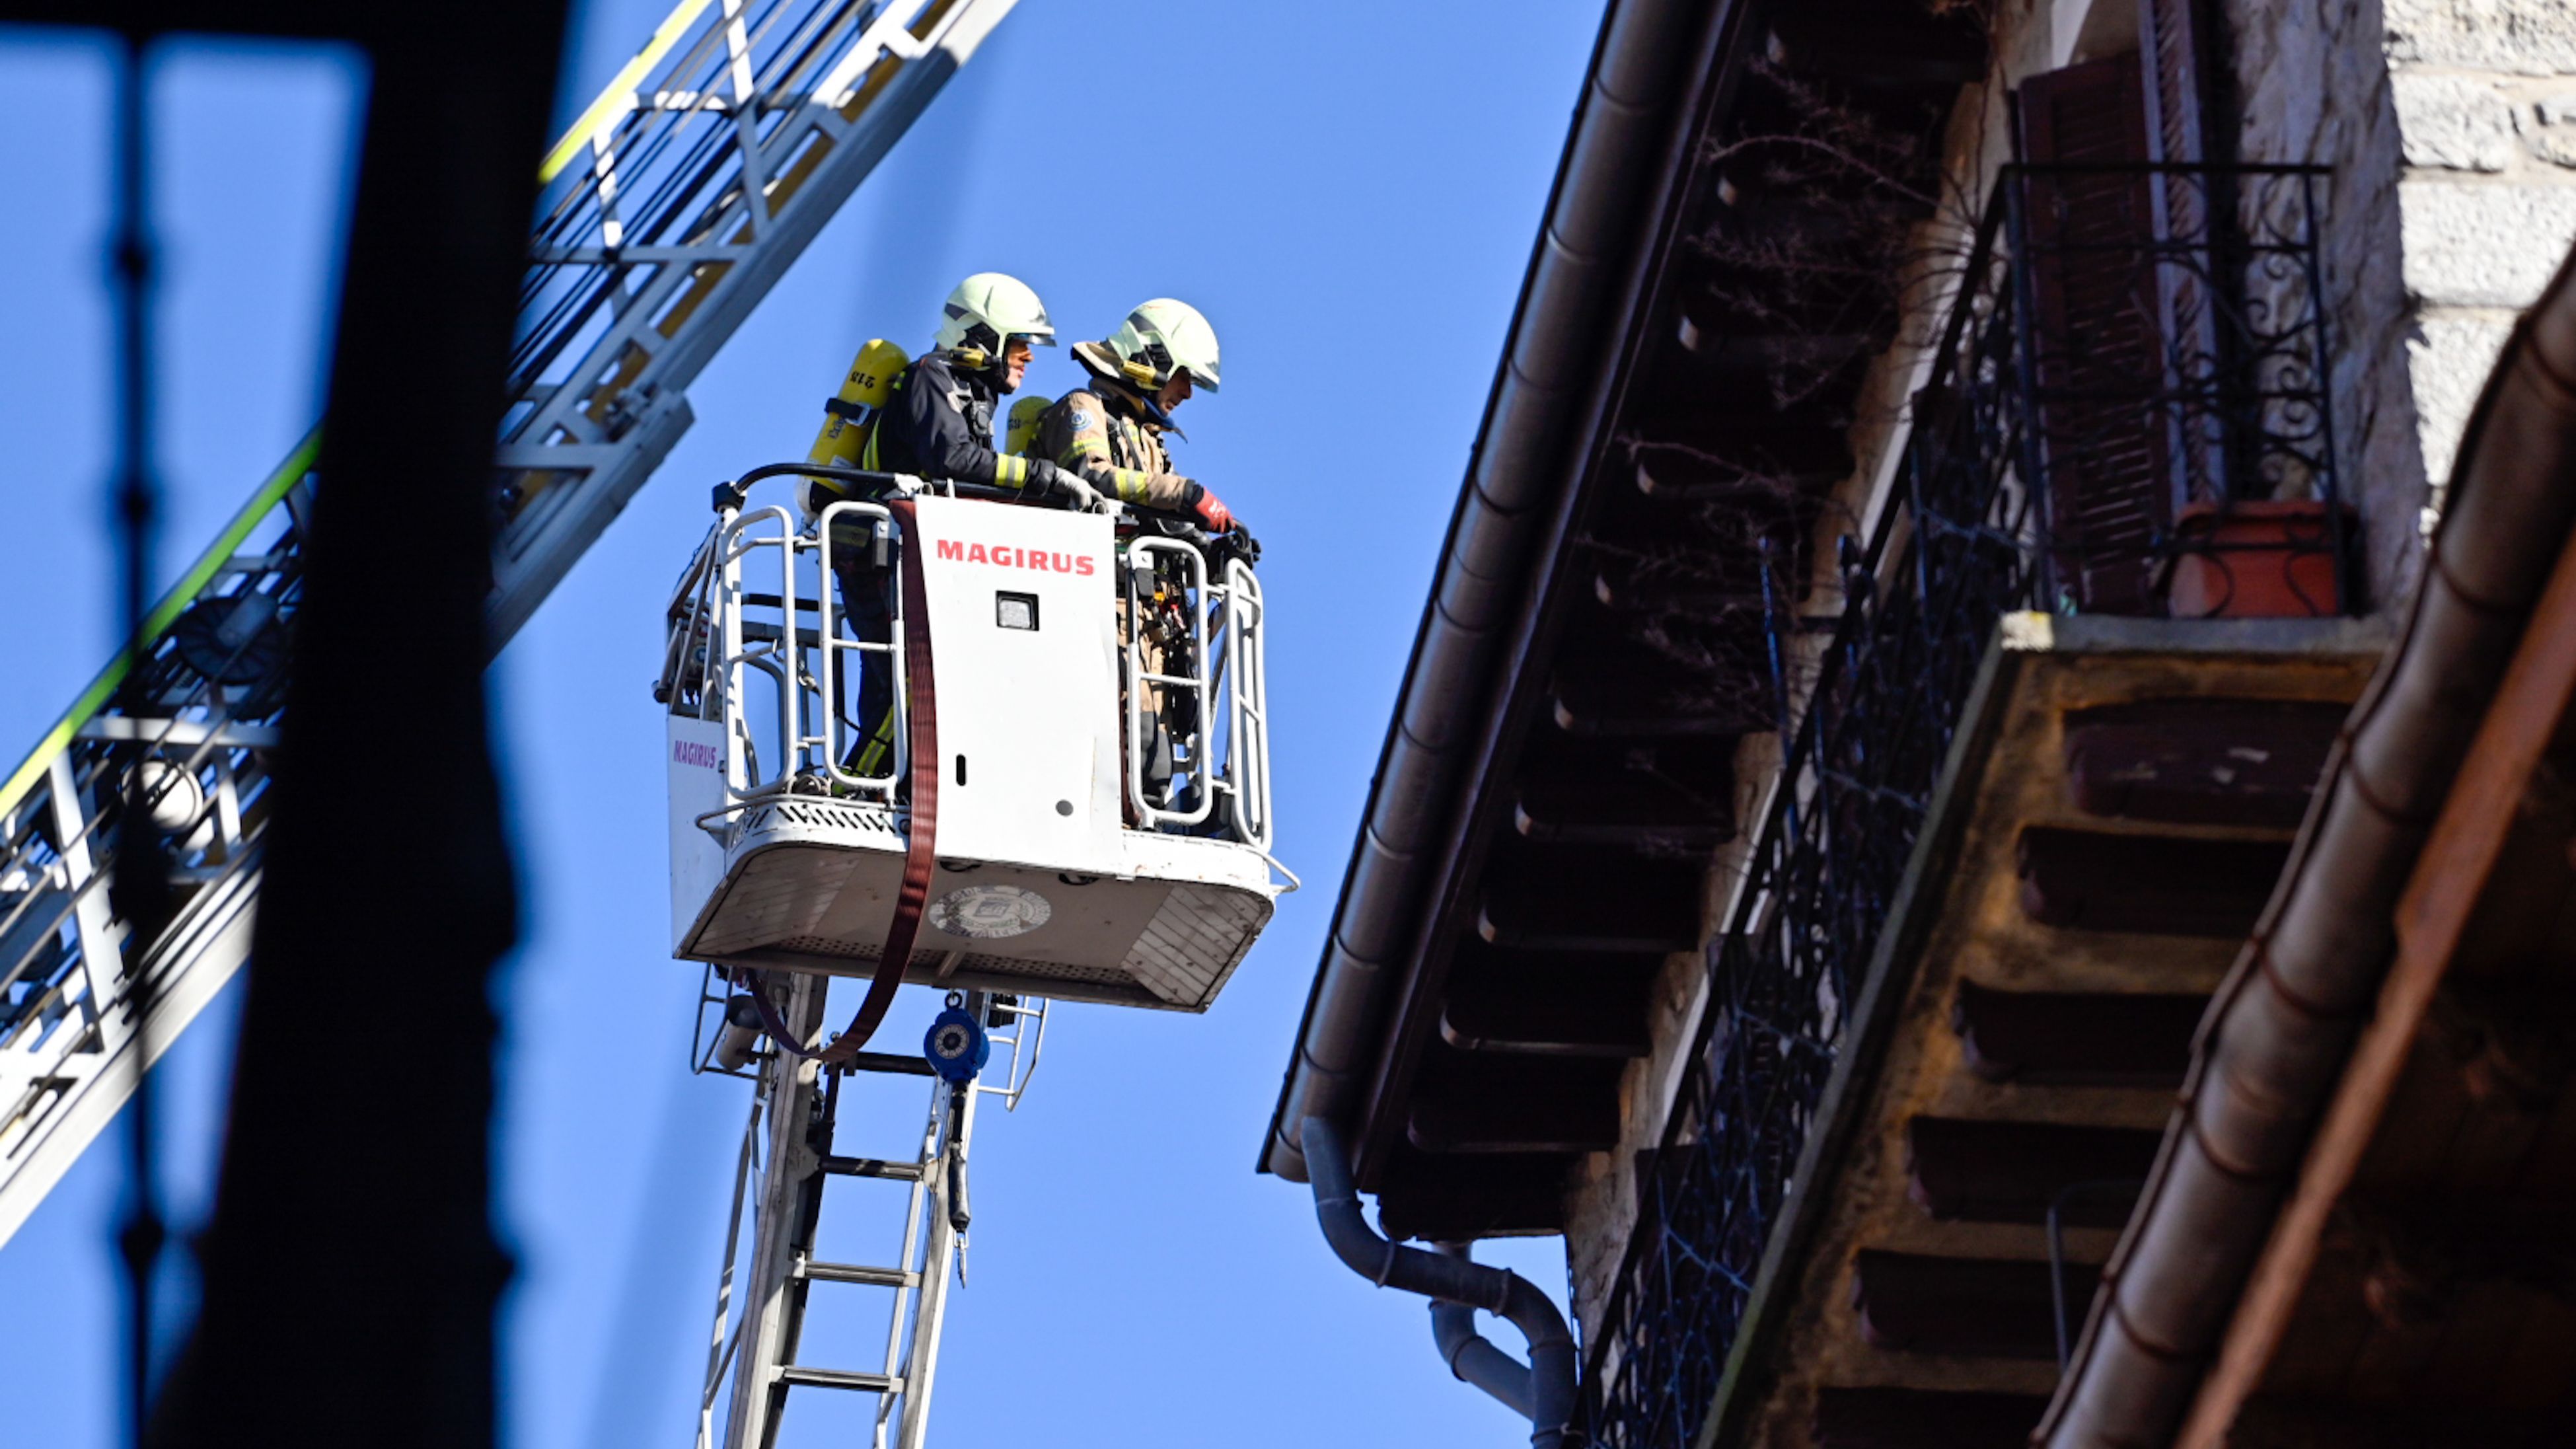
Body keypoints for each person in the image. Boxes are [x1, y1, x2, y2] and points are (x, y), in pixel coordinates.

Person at [822, 273, 1100, 778]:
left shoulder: (969, 395)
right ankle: (857, 789)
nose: (1029, 356)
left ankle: (893, 784)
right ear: (981, 334)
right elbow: (952, 458)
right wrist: (1048, 477)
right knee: (907, 686)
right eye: (1019, 343)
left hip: (899, 555)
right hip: (877, 553)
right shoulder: (932, 375)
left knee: (897, 681)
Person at [1029, 298, 1237, 535]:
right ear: (1155, 359)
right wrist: (1183, 493)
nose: (1188, 393)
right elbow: (1090, 476)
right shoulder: (1084, 405)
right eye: (1185, 376)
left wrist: (1210, 547)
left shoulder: (1148, 439)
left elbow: (1165, 517)